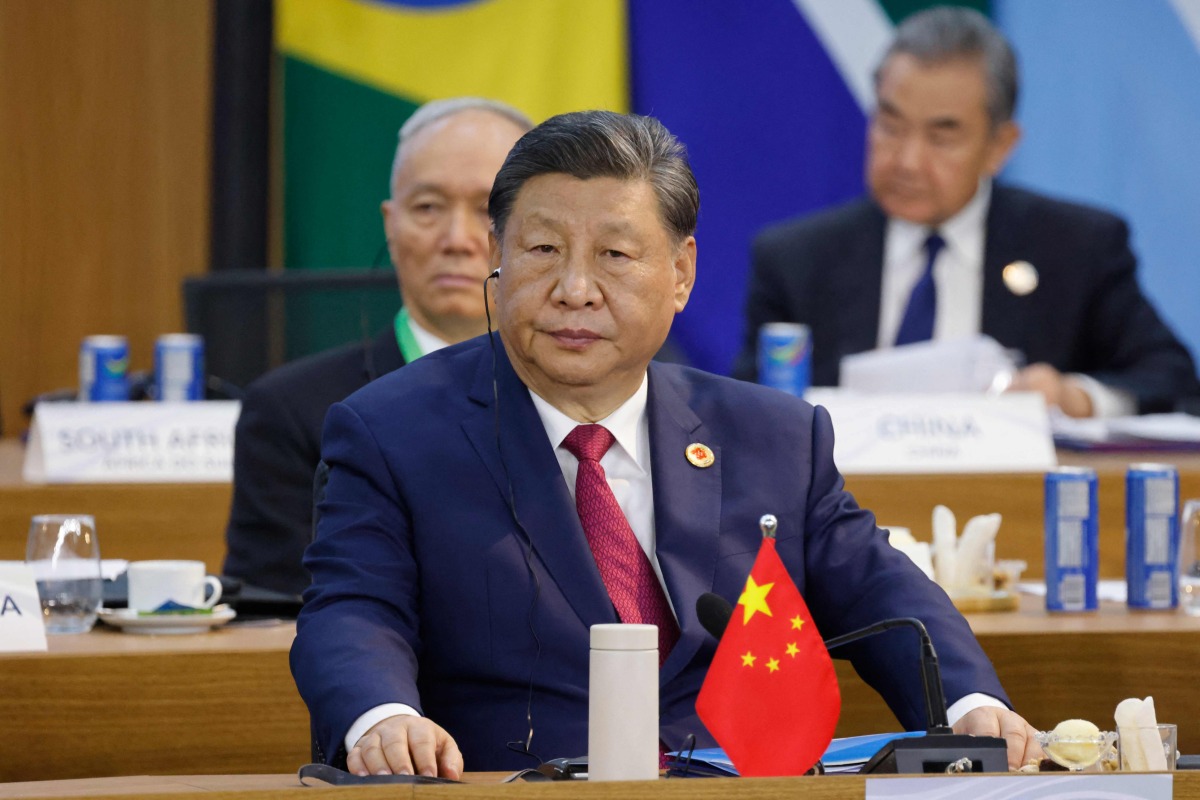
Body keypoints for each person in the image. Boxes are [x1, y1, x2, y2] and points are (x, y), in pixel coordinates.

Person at [291, 110, 1042, 779]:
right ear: (499, 257)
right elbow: (354, 609)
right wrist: (382, 718)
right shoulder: (392, 431)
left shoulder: (773, 436)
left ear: (680, 273)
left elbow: (882, 590)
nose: (574, 288)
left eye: (615, 256)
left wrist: (969, 703)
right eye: (544, 249)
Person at [734, 6, 1199, 418]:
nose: (907, 161)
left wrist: (1076, 398)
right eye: (891, 125)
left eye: (942, 136)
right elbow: (745, 411)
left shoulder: (1077, 249)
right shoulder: (797, 261)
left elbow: (1173, 380)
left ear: (1000, 146)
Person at [222, 98, 532, 595]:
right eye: (428, 207)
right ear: (391, 224)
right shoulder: (293, 412)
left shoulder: (588, 393)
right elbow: (276, 613)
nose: (457, 238)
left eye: (488, 210)